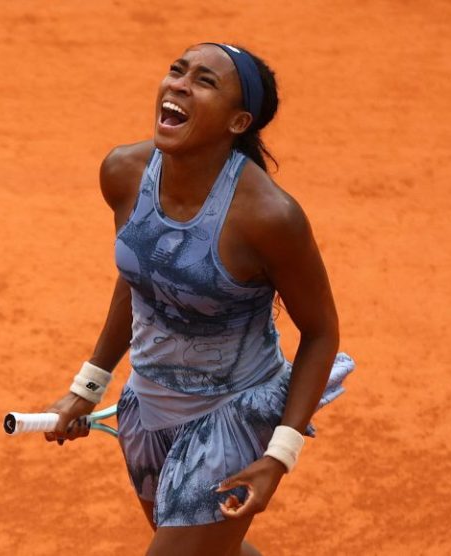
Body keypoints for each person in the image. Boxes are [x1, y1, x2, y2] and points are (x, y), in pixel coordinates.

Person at [42, 42, 354, 556]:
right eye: (177, 70)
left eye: (205, 81)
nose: (180, 84)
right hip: (146, 410)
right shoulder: (124, 172)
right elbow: (142, 274)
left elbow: (321, 333)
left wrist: (280, 454)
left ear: (237, 122)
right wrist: (90, 384)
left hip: (234, 414)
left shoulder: (269, 218)